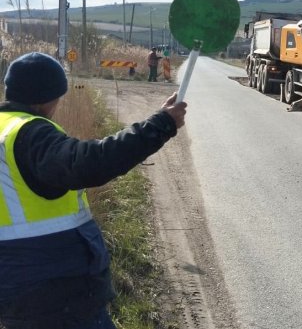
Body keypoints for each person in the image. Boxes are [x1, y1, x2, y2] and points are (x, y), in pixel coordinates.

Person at [0, 52, 187, 329]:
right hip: (52, 289)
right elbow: (90, 162)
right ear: (46, 98)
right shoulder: (30, 134)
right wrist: (161, 124)